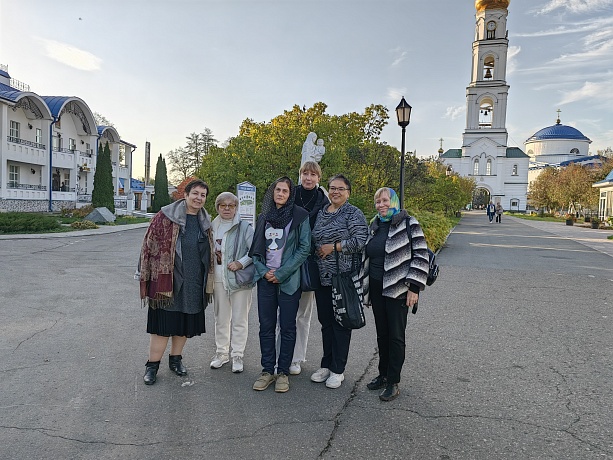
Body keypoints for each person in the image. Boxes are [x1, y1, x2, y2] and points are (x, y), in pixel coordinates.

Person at [136, 179, 213, 385]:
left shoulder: (205, 221)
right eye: (195, 193)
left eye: (203, 195)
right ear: (185, 195)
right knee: (163, 325)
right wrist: (147, 272)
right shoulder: (165, 216)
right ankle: (152, 366)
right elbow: (148, 245)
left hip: (194, 282)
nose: (198, 198)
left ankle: (176, 360)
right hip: (168, 280)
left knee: (184, 324)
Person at [362, 187, 429, 401]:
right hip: (376, 288)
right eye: (377, 201)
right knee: (382, 335)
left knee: (396, 336)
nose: (381, 205)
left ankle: (393, 381)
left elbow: (420, 256)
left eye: (384, 201)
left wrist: (414, 287)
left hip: (399, 290)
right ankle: (382, 374)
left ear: (394, 202)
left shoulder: (409, 223)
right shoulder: (374, 225)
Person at [249, 177, 311, 393]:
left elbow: (304, 248)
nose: (281, 193)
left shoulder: (300, 216)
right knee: (265, 327)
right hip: (266, 281)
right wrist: (264, 272)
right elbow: (255, 250)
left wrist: (282, 272)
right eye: (278, 189)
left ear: (290, 194)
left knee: (287, 327)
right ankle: (267, 370)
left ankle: (283, 372)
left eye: (285, 190)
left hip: (288, 281)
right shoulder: (264, 217)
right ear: (272, 192)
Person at [310, 174, 368, 389]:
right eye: (332, 188)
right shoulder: (322, 213)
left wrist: (333, 247)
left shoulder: (353, 213)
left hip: (343, 277)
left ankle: (338, 369)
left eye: (340, 188)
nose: (335, 192)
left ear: (348, 192)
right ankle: (326, 364)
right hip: (323, 277)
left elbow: (361, 240)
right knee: (326, 322)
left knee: (341, 323)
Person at [278, 161, 329, 375]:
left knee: (303, 314)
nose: (308, 178)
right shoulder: (291, 194)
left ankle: (297, 358)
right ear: (300, 175)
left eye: (313, 174)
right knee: (285, 313)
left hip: (309, 263)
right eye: (305, 173)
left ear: (319, 177)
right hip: (288, 261)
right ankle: (282, 355)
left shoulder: (323, 200)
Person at [210, 192, 255, 373]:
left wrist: (240, 263)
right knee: (221, 319)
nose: (227, 209)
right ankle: (221, 353)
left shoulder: (245, 227)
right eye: (223, 205)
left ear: (236, 208)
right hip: (219, 280)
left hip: (239, 280)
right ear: (218, 207)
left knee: (239, 319)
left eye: (231, 205)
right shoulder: (212, 226)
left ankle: (237, 355)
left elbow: (254, 251)